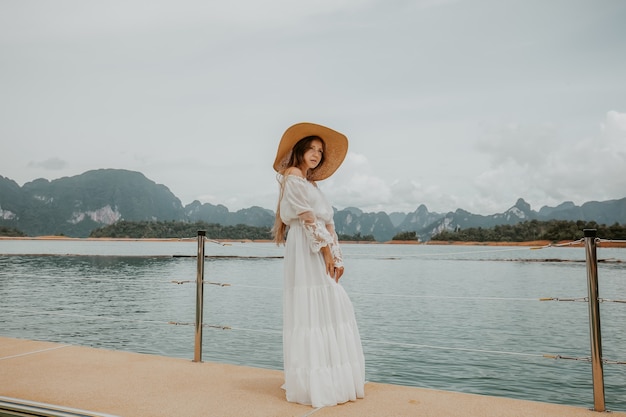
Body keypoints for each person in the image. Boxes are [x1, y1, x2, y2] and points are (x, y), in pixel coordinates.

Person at [272, 122, 365, 408]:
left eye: (320, 151)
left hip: (318, 246)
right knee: (312, 309)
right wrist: (326, 252)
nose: (315, 154)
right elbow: (308, 219)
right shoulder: (294, 177)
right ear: (299, 150)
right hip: (306, 248)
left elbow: (328, 223)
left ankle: (330, 379)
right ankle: (314, 383)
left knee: (330, 307)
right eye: (311, 149)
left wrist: (337, 256)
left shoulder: (312, 183)